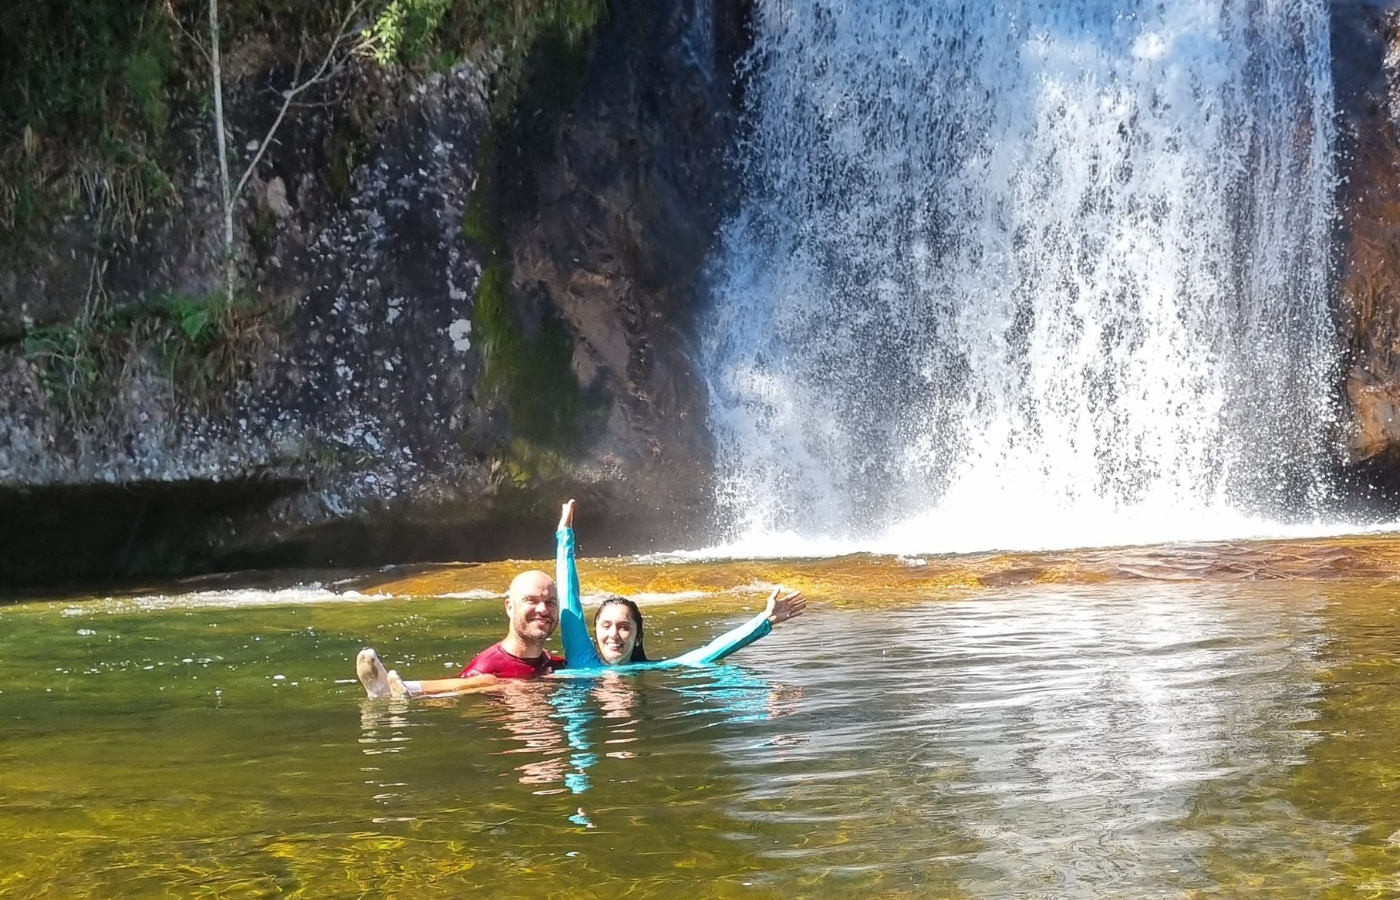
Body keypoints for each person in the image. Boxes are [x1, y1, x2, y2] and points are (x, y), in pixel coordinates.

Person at [553, 499, 806, 674]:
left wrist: (764, 620)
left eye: (624, 627)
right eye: (605, 626)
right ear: (594, 632)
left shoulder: (649, 671)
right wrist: (564, 534)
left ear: (638, 635)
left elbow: (707, 653)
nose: (614, 635)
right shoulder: (581, 659)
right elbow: (569, 599)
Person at [357, 568, 562, 698]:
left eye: (550, 602)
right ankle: (401, 689)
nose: (543, 609)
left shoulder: (557, 665)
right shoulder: (488, 667)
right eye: (531, 600)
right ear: (509, 607)